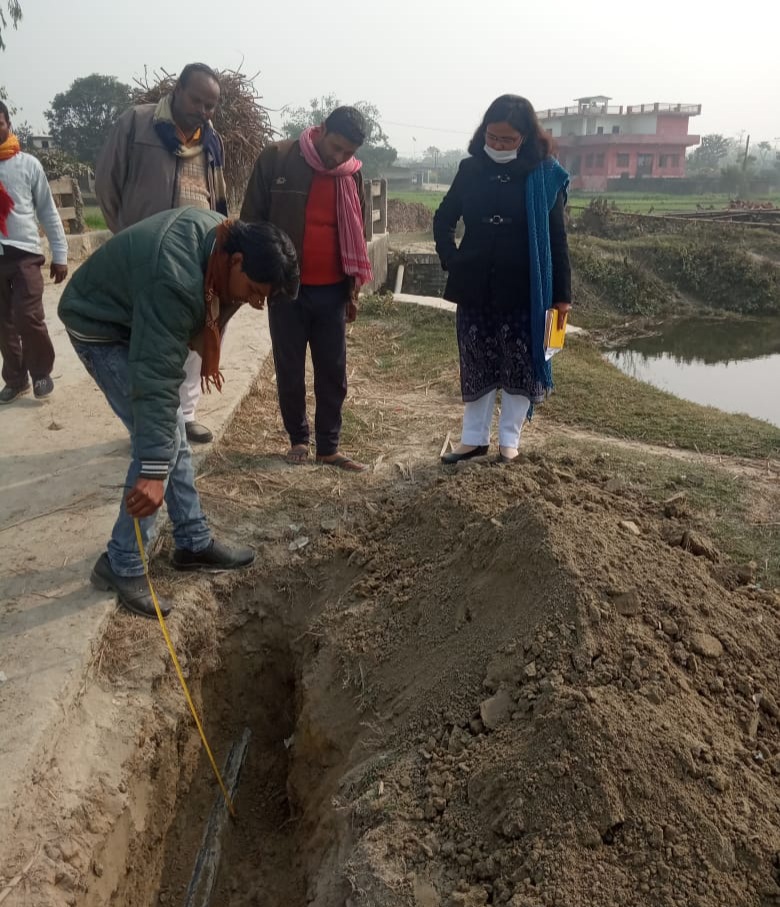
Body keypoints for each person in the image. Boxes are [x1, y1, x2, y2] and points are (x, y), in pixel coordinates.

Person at [58, 207, 299, 618]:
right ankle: (121, 563)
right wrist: (152, 473)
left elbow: (197, 325)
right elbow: (154, 378)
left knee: (173, 440)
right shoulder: (176, 278)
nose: (256, 304)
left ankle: (191, 541)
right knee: (160, 446)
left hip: (134, 315)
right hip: (100, 325)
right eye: (256, 291)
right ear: (237, 262)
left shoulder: (221, 247)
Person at [433, 94, 571, 464]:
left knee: (520, 363)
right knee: (476, 359)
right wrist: (452, 260)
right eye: (492, 137)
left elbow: (557, 240)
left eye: (507, 139)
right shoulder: (470, 170)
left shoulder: (543, 175)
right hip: (475, 284)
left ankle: (509, 440)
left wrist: (562, 297)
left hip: (525, 288)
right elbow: (443, 219)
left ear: (526, 137)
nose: (497, 145)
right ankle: (473, 440)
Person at [95, 62, 227, 444]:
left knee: (193, 338)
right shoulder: (137, 124)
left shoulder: (211, 139)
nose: (203, 110)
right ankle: (146, 424)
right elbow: (107, 183)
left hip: (196, 257)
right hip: (146, 256)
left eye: (211, 105)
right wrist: (127, 238)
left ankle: (184, 417)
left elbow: (217, 193)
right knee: (146, 341)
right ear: (176, 90)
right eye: (197, 99)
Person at [240, 106, 373, 472]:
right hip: (286, 289)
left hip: (332, 289)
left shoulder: (351, 175)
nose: (339, 157)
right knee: (290, 367)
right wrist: (255, 281)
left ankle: (329, 447)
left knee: (333, 371)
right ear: (322, 129)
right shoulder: (278, 158)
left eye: (349, 152)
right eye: (336, 147)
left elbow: (358, 234)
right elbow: (251, 223)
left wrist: (352, 292)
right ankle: (298, 439)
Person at [0, 100, 68, 404]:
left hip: (25, 253)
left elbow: (48, 211)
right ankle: (16, 379)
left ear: (7, 124)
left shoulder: (27, 164)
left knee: (27, 316)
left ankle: (41, 373)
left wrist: (60, 254)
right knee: (3, 321)